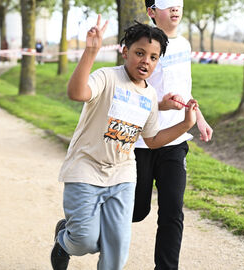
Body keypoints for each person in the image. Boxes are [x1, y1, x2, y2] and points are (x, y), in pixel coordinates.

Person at [50, 14, 199, 270]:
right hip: (86, 169)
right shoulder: (107, 77)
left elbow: (152, 140)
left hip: (122, 175)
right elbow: (76, 93)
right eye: (140, 53)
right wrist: (90, 52)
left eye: (153, 57)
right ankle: (65, 240)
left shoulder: (150, 95)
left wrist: (185, 124)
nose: (146, 61)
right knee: (86, 240)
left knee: (116, 250)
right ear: (125, 52)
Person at [132, 0, 213, 269]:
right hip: (142, 142)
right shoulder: (143, 44)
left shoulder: (184, 45)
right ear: (152, 11)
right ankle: (74, 232)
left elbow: (185, 88)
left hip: (175, 140)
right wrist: (159, 105)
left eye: (178, 3)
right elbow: (130, 93)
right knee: (136, 210)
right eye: (167, 4)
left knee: (172, 212)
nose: (175, 9)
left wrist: (199, 117)